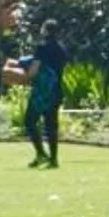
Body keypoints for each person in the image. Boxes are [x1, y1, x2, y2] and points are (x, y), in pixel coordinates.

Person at [12, 21, 67, 167]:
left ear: (45, 31)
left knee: (29, 121)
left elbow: (34, 70)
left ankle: (41, 153)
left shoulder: (41, 48)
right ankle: (53, 159)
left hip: (41, 92)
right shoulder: (62, 49)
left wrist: (24, 77)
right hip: (56, 90)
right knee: (51, 125)